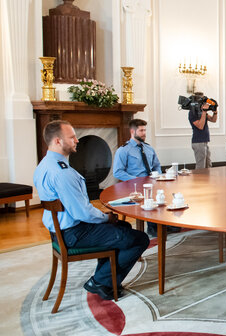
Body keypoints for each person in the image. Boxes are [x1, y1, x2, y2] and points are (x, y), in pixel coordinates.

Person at [33, 120, 149, 301]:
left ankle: (106, 280)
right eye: (71, 137)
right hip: (74, 233)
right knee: (140, 239)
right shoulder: (62, 173)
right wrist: (106, 218)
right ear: (57, 141)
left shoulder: (43, 165)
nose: (77, 140)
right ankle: (100, 281)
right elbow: (83, 213)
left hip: (59, 231)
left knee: (124, 228)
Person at [189, 92, 218, 169]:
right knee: (201, 166)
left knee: (208, 164)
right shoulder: (192, 113)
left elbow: (213, 120)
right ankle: (198, 181)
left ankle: (208, 180)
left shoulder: (202, 112)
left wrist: (215, 112)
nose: (204, 103)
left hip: (205, 141)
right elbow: (200, 126)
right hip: (198, 142)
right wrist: (204, 112)